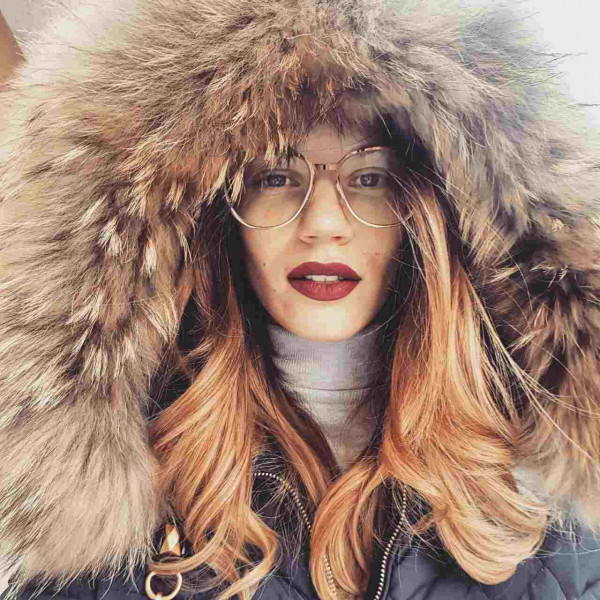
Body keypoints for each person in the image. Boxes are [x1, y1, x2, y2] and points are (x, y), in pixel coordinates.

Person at [0, 0, 599, 599]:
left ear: (429, 212)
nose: (323, 224)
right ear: (217, 218)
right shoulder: (108, 517)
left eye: (369, 178)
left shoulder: (548, 511)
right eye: (276, 178)